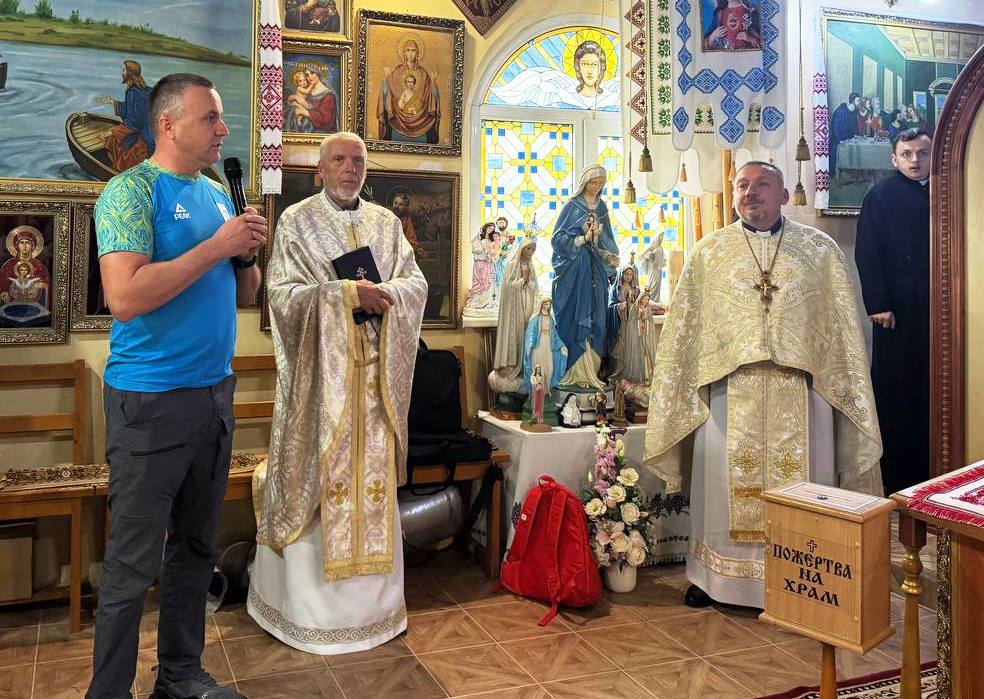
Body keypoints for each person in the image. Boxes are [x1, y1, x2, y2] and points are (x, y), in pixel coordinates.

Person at [86, 73, 266, 699]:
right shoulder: (129, 192)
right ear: (167, 124)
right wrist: (217, 247)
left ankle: (181, 677)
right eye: (210, 117)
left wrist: (246, 257)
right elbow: (126, 297)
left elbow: (244, 296)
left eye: (220, 118)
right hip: (151, 400)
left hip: (214, 395)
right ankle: (109, 691)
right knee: (131, 564)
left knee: (194, 549)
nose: (223, 128)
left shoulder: (217, 193)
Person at [642, 161, 883, 610]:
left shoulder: (820, 251)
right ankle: (715, 578)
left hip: (804, 392)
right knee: (720, 489)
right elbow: (685, 334)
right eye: (742, 185)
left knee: (808, 487)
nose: (750, 192)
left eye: (762, 184)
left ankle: (805, 579)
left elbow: (841, 331)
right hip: (729, 393)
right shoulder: (709, 253)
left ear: (784, 195)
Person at [249, 131, 427, 655]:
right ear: (320, 170)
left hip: (373, 387)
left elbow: (415, 284)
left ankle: (374, 613)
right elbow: (282, 298)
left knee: (371, 487)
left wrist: (387, 293)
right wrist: (346, 293)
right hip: (321, 390)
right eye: (340, 160)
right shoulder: (297, 221)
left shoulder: (386, 224)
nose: (350, 169)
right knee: (320, 480)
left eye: (358, 161)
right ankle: (311, 615)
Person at [855, 128, 931, 495]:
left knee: (937, 390)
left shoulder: (948, 190)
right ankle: (899, 483)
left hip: (941, 311)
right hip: (895, 313)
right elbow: (867, 251)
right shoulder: (880, 196)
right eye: (907, 154)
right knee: (898, 392)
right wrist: (878, 304)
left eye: (922, 153)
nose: (915, 160)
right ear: (894, 158)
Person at [551, 164, 621, 389]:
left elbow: (605, 240)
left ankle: (593, 372)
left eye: (600, 183)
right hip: (575, 273)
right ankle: (574, 373)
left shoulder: (602, 207)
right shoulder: (572, 206)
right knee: (576, 318)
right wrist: (582, 239)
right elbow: (557, 240)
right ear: (584, 182)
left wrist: (609, 256)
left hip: (596, 270)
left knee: (597, 319)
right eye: (593, 182)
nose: (596, 186)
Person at [488, 236, 539, 395]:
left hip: (527, 306)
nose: (531, 252)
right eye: (528, 249)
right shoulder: (512, 265)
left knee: (526, 335)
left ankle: (523, 366)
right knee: (515, 336)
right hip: (514, 310)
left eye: (533, 249)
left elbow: (535, 286)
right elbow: (508, 288)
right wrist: (522, 281)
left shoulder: (532, 266)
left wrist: (529, 283)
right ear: (521, 249)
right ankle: (511, 365)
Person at [377, 39, 441, 143]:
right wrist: (386, 80)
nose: (410, 53)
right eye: (408, 50)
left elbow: (431, 98)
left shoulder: (423, 74)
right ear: (404, 53)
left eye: (413, 50)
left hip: (421, 121)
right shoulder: (397, 72)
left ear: (417, 53)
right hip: (399, 121)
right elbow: (388, 93)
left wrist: (433, 83)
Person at [99, 60, 156, 172]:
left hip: (144, 139)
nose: (122, 73)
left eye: (124, 70)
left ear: (129, 73)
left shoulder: (133, 92)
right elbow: (131, 109)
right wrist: (113, 102)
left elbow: (133, 121)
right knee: (114, 140)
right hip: (151, 133)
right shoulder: (143, 89)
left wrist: (110, 132)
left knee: (114, 143)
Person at [522, 298, 567, 402]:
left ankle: (546, 389)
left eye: (549, 304)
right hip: (538, 345)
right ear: (541, 305)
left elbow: (555, 335)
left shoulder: (550, 319)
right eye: (546, 304)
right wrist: (530, 344)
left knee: (549, 366)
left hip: (548, 344)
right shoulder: (536, 318)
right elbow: (530, 332)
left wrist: (561, 346)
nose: (547, 306)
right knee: (538, 366)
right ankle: (537, 391)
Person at [0, 226, 51, 309]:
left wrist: (41, 285)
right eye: (21, 243)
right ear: (17, 245)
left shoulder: (40, 267)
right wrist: (3, 293)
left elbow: (46, 286)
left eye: (27, 243)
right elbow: (3, 285)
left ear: (32, 246)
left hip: (33, 307)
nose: (24, 246)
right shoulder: (8, 265)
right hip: (12, 306)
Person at [292, 66, 339, 134]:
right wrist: (294, 97)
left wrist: (304, 112)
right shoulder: (307, 90)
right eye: (307, 75)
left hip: (320, 132)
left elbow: (325, 119)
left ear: (318, 74)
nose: (309, 77)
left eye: (312, 73)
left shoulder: (328, 95)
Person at [464, 223, 496, 312]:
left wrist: (490, 254)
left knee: (487, 281)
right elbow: (475, 249)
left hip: (487, 263)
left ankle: (484, 302)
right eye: (489, 228)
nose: (490, 230)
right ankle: (476, 302)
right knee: (478, 281)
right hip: (479, 262)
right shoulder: (477, 238)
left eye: (492, 229)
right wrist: (484, 248)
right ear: (485, 228)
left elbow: (492, 251)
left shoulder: (491, 240)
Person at [829, 92, 860, 182]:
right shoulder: (842, 111)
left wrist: (854, 136)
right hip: (837, 140)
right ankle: (835, 176)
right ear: (852, 101)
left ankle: (850, 176)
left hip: (848, 139)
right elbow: (837, 129)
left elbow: (854, 127)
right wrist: (841, 140)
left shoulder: (854, 112)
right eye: (858, 101)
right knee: (836, 159)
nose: (859, 102)